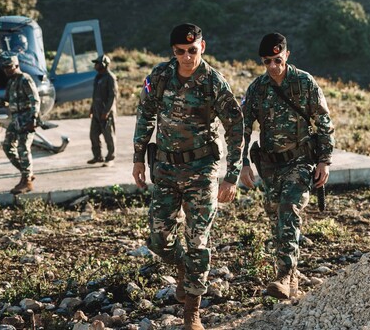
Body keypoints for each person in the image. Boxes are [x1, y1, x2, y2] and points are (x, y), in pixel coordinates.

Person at [131, 23, 243, 330]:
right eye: (180, 52)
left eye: (192, 51)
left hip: (201, 170)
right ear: (173, 52)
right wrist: (138, 159)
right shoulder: (160, 76)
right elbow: (145, 114)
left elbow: (235, 127)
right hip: (165, 168)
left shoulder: (213, 82)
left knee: (198, 239)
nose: (187, 57)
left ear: (202, 48)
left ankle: (192, 311)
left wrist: (231, 175)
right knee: (158, 239)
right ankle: (183, 266)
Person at [239, 33, 334, 300]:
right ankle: (290, 281)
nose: (272, 66)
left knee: (288, 209)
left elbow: (324, 123)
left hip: (300, 161)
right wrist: (243, 163)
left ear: (287, 56)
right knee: (275, 219)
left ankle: (283, 275)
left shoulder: (305, 83)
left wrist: (324, 161)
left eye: (277, 60)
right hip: (270, 165)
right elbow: (243, 129)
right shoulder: (257, 88)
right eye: (267, 61)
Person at [1, 53, 41, 195]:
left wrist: (33, 119)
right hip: (16, 119)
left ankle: (27, 181)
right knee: (7, 146)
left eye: (9, 67)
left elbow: (35, 100)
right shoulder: (11, 82)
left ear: (17, 66)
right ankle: (27, 172)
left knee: (23, 148)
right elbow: (6, 100)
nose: (7, 70)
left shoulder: (25, 79)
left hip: (26, 118)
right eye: (5, 67)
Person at [87, 54, 117, 166]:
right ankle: (97, 156)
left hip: (106, 113)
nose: (95, 66)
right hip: (96, 112)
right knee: (93, 135)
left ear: (104, 64)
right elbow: (95, 96)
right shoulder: (98, 77)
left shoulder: (110, 78)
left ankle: (110, 158)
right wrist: (92, 109)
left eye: (97, 63)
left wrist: (106, 111)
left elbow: (112, 97)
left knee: (108, 136)